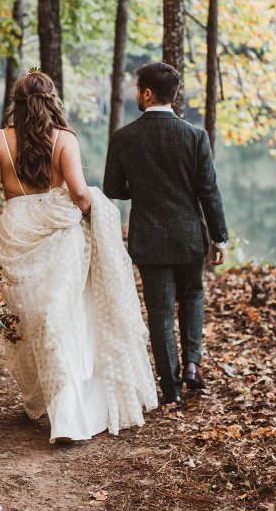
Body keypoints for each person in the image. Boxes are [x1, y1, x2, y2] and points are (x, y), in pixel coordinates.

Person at [0, 70, 158, 443]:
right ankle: (65, 410)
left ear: (16, 103)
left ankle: (58, 406)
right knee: (59, 316)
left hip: (16, 231)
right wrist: (95, 209)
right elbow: (80, 193)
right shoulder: (64, 139)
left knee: (32, 320)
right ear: (52, 101)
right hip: (60, 232)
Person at [103, 62, 229, 408]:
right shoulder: (195, 136)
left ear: (146, 93)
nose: (135, 94)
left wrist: (143, 191)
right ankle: (191, 364)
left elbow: (113, 187)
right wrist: (219, 237)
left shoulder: (123, 137)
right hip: (189, 236)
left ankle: (171, 389)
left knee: (159, 311)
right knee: (192, 296)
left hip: (149, 239)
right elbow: (209, 192)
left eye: (137, 89)